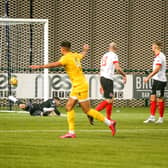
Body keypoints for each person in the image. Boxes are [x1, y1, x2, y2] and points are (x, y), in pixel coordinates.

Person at [30, 41, 116, 138]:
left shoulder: (66, 58)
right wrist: (85, 50)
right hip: (77, 86)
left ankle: (110, 123)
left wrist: (39, 66)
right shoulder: (74, 55)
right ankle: (71, 132)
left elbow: (55, 64)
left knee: (87, 110)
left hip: (80, 85)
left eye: (60, 48)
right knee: (69, 107)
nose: (60, 50)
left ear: (62, 48)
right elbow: (82, 55)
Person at [95, 42, 127, 120]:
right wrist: (124, 75)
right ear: (115, 48)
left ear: (109, 48)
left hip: (103, 78)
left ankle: (109, 118)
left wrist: (101, 84)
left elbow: (101, 71)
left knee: (110, 99)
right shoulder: (114, 56)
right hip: (108, 78)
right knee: (109, 100)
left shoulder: (104, 56)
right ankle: (93, 113)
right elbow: (118, 68)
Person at [144, 41, 167, 124]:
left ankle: (160, 118)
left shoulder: (160, 57)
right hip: (156, 80)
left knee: (159, 99)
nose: (152, 47)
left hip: (160, 81)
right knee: (153, 97)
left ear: (156, 47)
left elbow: (157, 69)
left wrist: (148, 77)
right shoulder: (157, 56)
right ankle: (152, 117)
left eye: (153, 45)